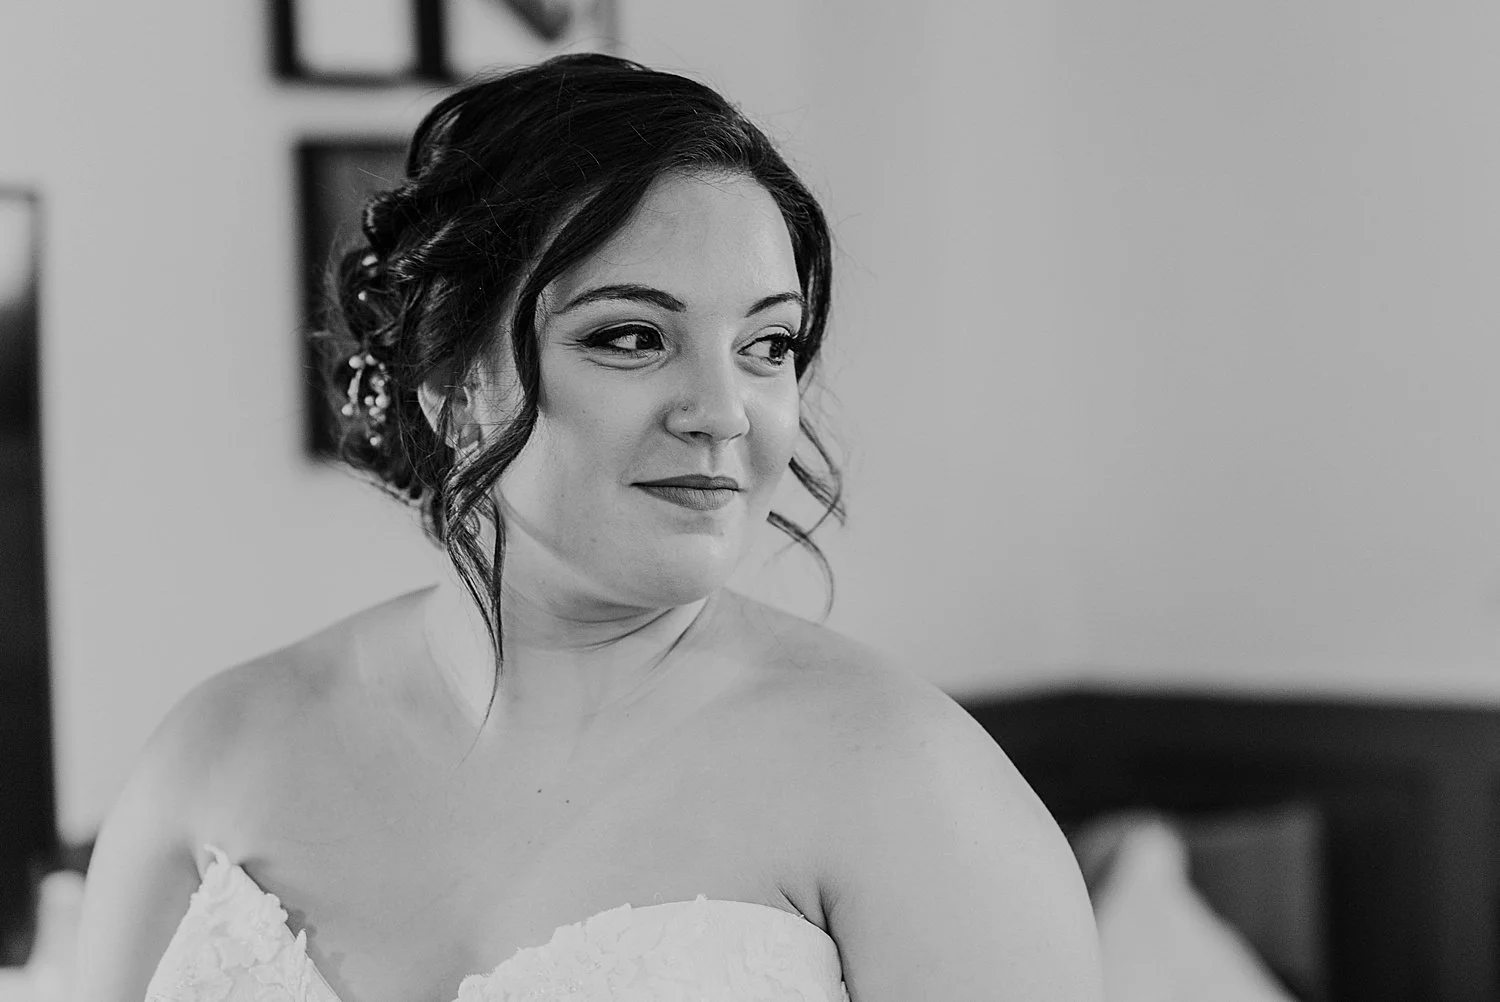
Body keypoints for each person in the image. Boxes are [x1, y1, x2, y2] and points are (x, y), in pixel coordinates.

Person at [72, 53, 1104, 1001]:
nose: (723, 412)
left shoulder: (910, 784)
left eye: (768, 344)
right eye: (633, 336)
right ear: (454, 385)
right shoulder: (216, 757)